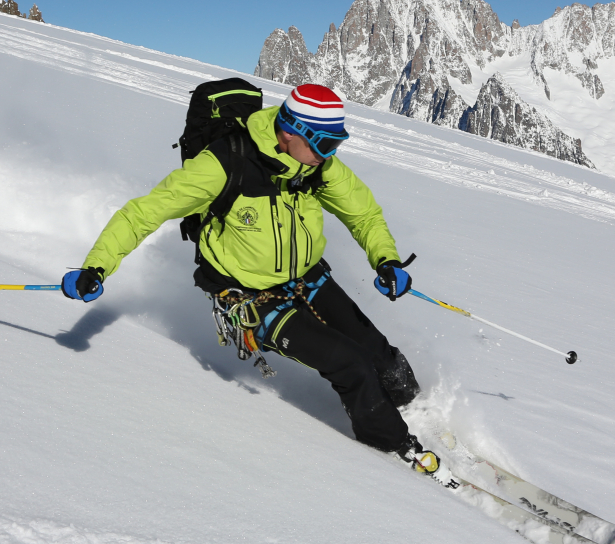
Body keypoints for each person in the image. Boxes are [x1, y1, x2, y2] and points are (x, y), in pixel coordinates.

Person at [61, 84, 438, 472]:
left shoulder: (316, 164)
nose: (330, 154)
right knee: (350, 363)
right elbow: (143, 214)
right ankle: (395, 449)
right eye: (324, 144)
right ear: (290, 132)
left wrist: (386, 260)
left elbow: (363, 214)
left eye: (337, 143)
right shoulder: (224, 165)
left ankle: (417, 405)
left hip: (308, 278)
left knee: (377, 351)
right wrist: (96, 267)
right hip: (250, 300)